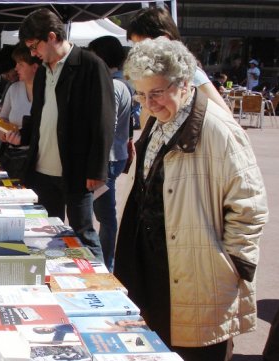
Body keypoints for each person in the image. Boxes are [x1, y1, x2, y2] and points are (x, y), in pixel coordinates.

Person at [114, 37, 268, 361]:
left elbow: (249, 206)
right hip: (153, 268)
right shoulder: (158, 119)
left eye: (156, 93)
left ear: (183, 83)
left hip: (198, 278)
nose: (149, 104)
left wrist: (232, 267)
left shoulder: (218, 129)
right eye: (141, 95)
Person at [4, 8, 115, 255]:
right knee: (46, 236)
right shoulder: (43, 70)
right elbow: (40, 115)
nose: (33, 54)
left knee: (82, 235)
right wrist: (22, 135)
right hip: (43, 168)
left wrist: (97, 169)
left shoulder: (90, 66)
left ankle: (101, 284)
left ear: (52, 37)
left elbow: (103, 121)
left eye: (34, 46)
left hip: (75, 170)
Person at [126, 6, 231, 128]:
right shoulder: (147, 76)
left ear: (165, 38)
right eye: (135, 46)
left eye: (142, 45)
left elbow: (228, 121)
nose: (138, 52)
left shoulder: (188, 73)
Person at [87, 36, 133, 272]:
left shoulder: (112, 85)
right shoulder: (120, 83)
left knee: (104, 214)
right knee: (104, 213)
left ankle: (106, 263)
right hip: (114, 155)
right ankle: (106, 261)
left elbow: (108, 126)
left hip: (108, 158)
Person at [0, 44, 41, 179]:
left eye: (20, 64)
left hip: (38, 161)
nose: (16, 68)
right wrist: (2, 131)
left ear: (34, 67)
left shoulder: (47, 91)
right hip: (14, 158)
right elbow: (2, 118)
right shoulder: (14, 88)